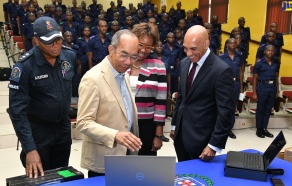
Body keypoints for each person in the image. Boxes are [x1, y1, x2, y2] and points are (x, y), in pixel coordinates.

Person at [8, 17, 77, 178]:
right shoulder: (24, 67)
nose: (56, 45)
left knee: (61, 176)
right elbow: (17, 111)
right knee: (40, 179)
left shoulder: (69, 57)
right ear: (36, 41)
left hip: (62, 128)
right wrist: (30, 149)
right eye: (49, 42)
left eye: (58, 40)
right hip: (38, 132)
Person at [76, 29, 142, 177]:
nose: (128, 62)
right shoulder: (92, 78)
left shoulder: (123, 73)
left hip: (126, 155)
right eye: (123, 55)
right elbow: (83, 122)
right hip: (103, 161)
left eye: (133, 57)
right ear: (111, 49)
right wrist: (115, 135)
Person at [170, 25, 235, 162]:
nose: (188, 53)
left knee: (200, 181)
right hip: (180, 136)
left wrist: (214, 144)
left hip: (202, 141)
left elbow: (226, 112)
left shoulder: (221, 70)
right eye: (185, 48)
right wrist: (175, 125)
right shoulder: (184, 63)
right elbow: (182, 98)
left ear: (206, 43)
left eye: (193, 49)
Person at [126, 23, 168, 155]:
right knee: (122, 168)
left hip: (147, 126)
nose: (144, 50)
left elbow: (161, 104)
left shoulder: (158, 66)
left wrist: (158, 135)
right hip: (122, 125)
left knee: (144, 170)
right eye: (141, 45)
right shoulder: (122, 63)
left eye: (149, 47)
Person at [252, 45, 279, 138]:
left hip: (272, 87)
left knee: (268, 109)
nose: (270, 52)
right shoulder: (259, 63)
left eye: (272, 50)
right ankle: (259, 129)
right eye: (268, 50)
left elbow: (276, 77)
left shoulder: (276, 62)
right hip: (262, 87)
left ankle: (264, 128)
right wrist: (254, 92)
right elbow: (254, 78)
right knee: (260, 109)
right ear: (265, 51)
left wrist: (277, 90)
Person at [220, 38, 244, 139]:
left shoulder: (239, 56)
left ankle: (229, 129)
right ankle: (221, 129)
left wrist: (241, 87)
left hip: (235, 83)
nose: (233, 45)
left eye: (234, 43)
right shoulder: (222, 57)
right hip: (225, 84)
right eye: (231, 43)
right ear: (227, 45)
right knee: (223, 106)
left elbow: (241, 71)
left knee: (233, 107)